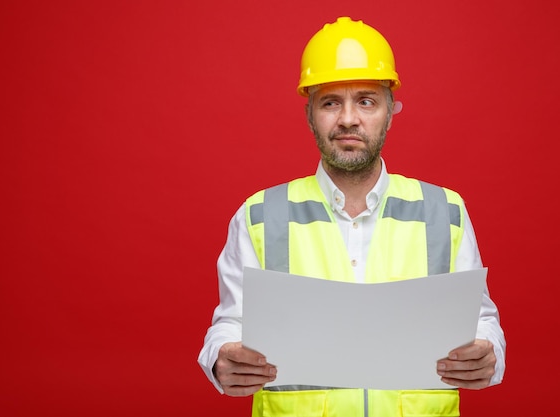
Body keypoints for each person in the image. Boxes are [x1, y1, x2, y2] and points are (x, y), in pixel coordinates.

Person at [197, 16, 506, 417]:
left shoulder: (444, 212)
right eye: (330, 102)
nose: (348, 119)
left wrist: (488, 351)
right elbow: (229, 325)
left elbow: (482, 321)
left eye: (365, 100)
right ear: (310, 113)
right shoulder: (259, 216)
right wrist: (221, 358)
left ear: (390, 111)